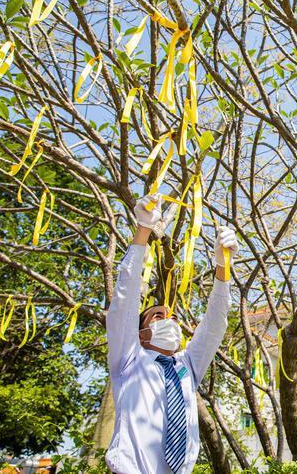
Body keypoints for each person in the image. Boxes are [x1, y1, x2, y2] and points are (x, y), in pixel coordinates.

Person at [105, 194, 239, 474]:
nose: (170, 321)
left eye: (174, 317)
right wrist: (143, 230)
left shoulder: (187, 366)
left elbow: (215, 324)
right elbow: (125, 299)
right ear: (141, 334)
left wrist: (223, 267)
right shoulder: (128, 358)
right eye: (157, 316)